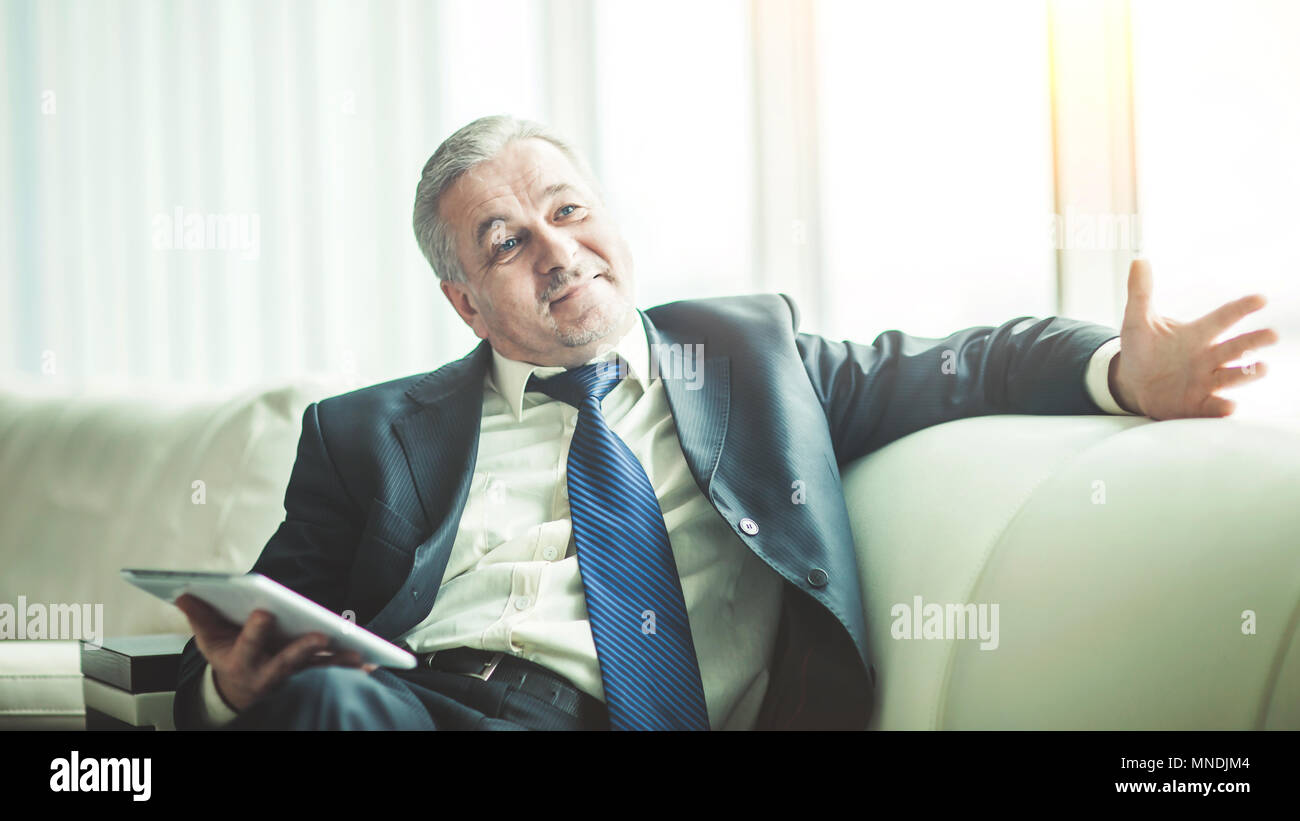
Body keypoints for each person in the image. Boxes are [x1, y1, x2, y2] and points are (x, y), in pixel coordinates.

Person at [173, 114, 1279, 731]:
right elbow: (237, 643)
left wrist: (1121, 375)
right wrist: (232, 687)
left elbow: (967, 362)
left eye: (568, 212)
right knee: (320, 707)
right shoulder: (362, 433)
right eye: (507, 242)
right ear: (463, 299)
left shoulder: (752, 357)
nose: (556, 250)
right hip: (430, 709)